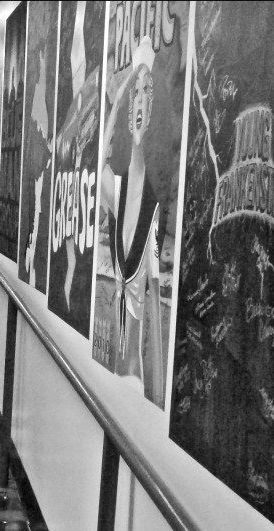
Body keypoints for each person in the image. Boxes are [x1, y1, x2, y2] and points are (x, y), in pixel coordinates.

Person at [99, 38, 164, 399]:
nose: (140, 100)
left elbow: (153, 297)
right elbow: (97, 163)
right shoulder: (117, 189)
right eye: (136, 94)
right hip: (111, 375)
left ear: (154, 109)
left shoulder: (153, 210)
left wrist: (157, 396)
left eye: (147, 92)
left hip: (134, 380)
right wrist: (124, 86)